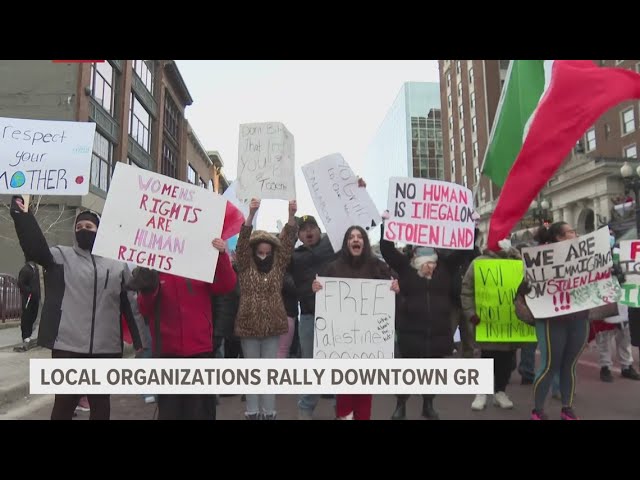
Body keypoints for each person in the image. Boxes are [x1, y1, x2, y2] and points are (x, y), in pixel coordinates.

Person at [9, 195, 143, 420]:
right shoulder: (60, 256)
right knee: (65, 401)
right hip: (68, 347)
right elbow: (35, 248)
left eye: (89, 226)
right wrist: (23, 216)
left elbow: (130, 304)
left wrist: (140, 342)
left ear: (99, 230)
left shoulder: (118, 264)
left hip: (106, 348)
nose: (83, 230)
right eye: (79, 226)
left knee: (100, 403)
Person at [129, 239, 236, 420]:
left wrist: (221, 255)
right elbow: (145, 309)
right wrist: (147, 287)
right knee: (171, 412)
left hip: (199, 351)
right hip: (168, 354)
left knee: (200, 412)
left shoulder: (199, 263)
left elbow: (226, 285)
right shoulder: (154, 266)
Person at [312, 225, 400, 420]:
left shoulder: (377, 265)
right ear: (346, 243)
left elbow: (395, 285)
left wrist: (395, 286)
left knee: (364, 393)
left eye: (359, 237)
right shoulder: (333, 267)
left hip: (368, 344)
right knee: (344, 391)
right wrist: (317, 288)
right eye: (351, 237)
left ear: (364, 243)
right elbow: (321, 298)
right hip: (342, 341)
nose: (356, 240)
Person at [380, 217, 454, 420]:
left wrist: (471, 229)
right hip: (411, 328)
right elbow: (387, 250)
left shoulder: (445, 267)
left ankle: (428, 404)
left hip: (437, 329)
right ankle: (400, 404)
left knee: (432, 372)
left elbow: (464, 251)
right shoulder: (406, 267)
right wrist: (387, 225)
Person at [235, 198, 298, 420]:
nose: (264, 255)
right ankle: (252, 412)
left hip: (272, 326)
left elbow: (288, 242)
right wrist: (251, 214)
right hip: (248, 326)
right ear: (253, 250)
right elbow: (241, 243)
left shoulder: (279, 265)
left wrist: (291, 215)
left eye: (267, 252)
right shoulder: (244, 264)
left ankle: (268, 413)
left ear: (272, 251)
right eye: (260, 252)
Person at [518, 222, 588, 420]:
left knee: (570, 365)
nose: (575, 233)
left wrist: (612, 274)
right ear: (559, 237)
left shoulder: (584, 255)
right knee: (550, 365)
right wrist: (524, 288)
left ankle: (567, 408)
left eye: (575, 230)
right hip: (552, 319)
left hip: (579, 317)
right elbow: (527, 285)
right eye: (571, 231)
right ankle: (538, 410)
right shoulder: (542, 258)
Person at [461, 240, 526, 412]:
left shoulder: (516, 262)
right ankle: (481, 392)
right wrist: (471, 314)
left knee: (506, 358)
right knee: (487, 356)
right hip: (486, 321)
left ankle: (500, 392)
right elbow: (467, 291)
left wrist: (515, 254)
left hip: (509, 322)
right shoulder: (478, 263)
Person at [15, 258, 40, 352]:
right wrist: (28, 291)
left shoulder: (36, 269)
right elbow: (20, 283)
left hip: (35, 297)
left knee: (34, 315)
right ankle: (25, 336)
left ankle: (29, 334)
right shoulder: (25, 270)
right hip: (28, 298)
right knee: (27, 316)